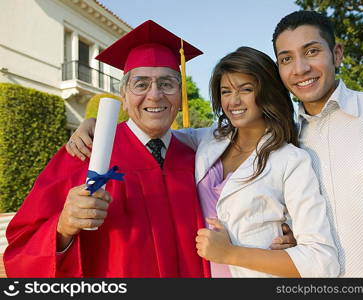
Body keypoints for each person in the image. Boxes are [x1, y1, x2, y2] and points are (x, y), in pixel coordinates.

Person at [67, 46, 340, 277]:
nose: (234, 101)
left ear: (267, 92)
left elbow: (322, 260)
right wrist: (95, 124)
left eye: (245, 89)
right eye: (225, 91)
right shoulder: (209, 141)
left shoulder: (292, 160)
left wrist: (231, 253)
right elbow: (154, 129)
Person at [4, 20, 210, 278]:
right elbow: (21, 246)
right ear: (123, 96)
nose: (155, 95)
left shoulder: (200, 158)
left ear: (180, 97)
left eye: (167, 83)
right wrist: (63, 227)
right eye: (141, 84)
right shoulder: (85, 152)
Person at [271, 11, 363, 277]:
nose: (300, 68)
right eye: (286, 59)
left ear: (336, 53)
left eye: (312, 51)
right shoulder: (283, 143)